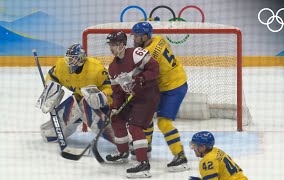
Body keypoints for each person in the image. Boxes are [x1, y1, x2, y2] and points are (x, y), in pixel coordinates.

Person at [131, 21, 189, 172]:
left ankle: (180, 156)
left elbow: (144, 73)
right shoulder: (159, 39)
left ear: (145, 36)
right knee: (147, 115)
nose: (134, 39)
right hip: (166, 84)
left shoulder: (148, 54)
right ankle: (146, 145)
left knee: (164, 123)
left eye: (137, 36)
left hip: (174, 87)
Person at [105, 31, 160, 178]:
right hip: (132, 98)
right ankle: (122, 152)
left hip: (148, 97)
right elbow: (117, 92)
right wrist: (115, 107)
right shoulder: (112, 67)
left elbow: (155, 68)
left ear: (122, 45)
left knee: (135, 126)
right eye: (109, 45)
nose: (111, 48)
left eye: (113, 45)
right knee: (116, 119)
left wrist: (142, 78)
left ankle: (143, 164)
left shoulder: (136, 53)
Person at [38, 43, 114, 144]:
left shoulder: (96, 69)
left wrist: (102, 96)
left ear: (81, 59)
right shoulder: (62, 66)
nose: (69, 62)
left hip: (99, 105)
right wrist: (51, 90)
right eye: (69, 59)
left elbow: (110, 87)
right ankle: (55, 133)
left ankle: (122, 141)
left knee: (87, 109)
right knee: (49, 134)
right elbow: (52, 77)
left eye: (73, 59)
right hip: (79, 99)